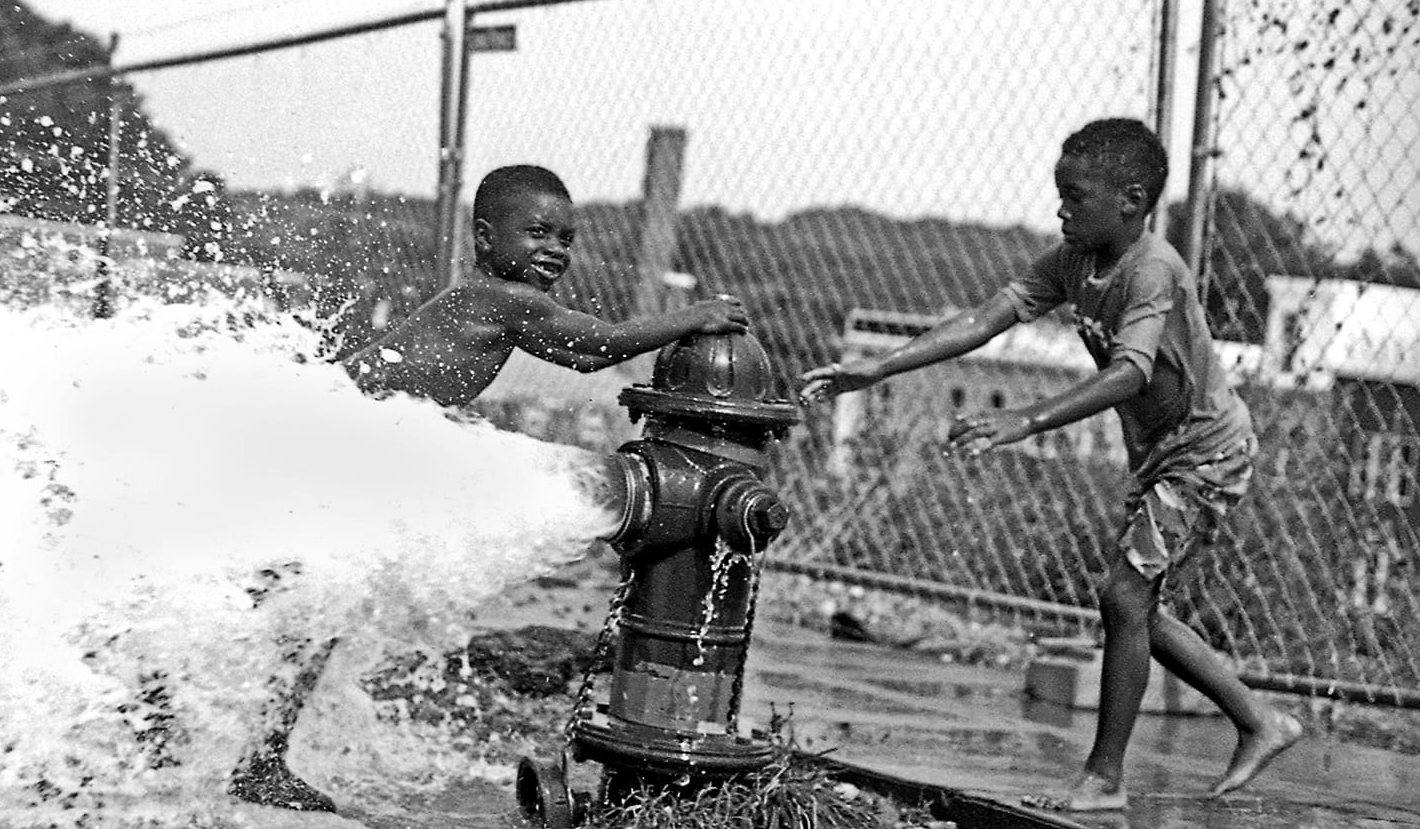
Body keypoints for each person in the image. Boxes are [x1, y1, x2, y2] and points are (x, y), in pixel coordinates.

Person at [800, 118, 1301, 813]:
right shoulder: (1073, 260)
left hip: (1206, 451)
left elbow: (1130, 372)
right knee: (1138, 610)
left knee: (1124, 599)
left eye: (1075, 197)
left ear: (1130, 199)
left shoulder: (1153, 269)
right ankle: (1260, 721)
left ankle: (1104, 779)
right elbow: (982, 321)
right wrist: (876, 368)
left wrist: (1025, 419)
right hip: (1160, 455)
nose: (1061, 210)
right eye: (1059, 196)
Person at [229, 162, 750, 812]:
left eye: (566, 239)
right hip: (334, 447)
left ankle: (233, 744)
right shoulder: (505, 299)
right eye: (537, 233)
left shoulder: (488, 298)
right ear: (484, 238)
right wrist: (696, 315)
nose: (554, 251)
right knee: (294, 603)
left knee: (302, 606)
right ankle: (235, 745)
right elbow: (596, 349)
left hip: (335, 443)